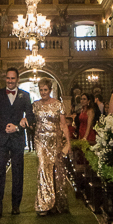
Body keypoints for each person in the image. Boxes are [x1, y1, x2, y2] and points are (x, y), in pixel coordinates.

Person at [0, 67, 34, 217]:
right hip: (0, 138)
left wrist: (18, 126)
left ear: (17, 79)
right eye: (8, 78)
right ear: (5, 79)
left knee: (17, 172)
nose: (10, 81)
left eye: (13, 78)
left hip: (17, 139)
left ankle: (15, 205)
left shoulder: (25, 95)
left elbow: (31, 117)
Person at [33, 78, 71, 216]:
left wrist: (68, 142)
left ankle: (56, 203)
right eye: (41, 90)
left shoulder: (58, 104)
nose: (43, 92)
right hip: (40, 140)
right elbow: (31, 121)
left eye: (45, 90)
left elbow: (63, 124)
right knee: (43, 168)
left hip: (55, 141)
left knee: (56, 171)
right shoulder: (35, 105)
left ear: (50, 90)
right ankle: (44, 204)